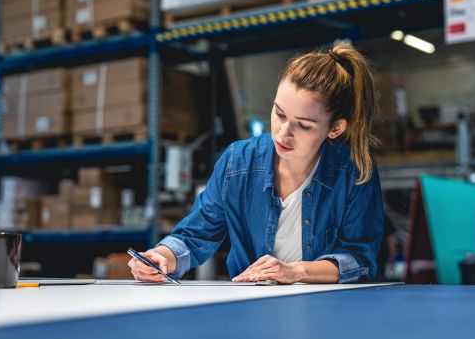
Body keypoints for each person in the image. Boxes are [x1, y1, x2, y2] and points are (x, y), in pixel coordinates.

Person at [129, 40, 384, 284]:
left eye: (303, 125)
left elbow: (359, 258)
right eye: (279, 114)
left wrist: (295, 271)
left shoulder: (355, 171)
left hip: (327, 310)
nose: (283, 133)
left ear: (335, 128)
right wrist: (161, 256)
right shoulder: (237, 162)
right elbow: (196, 234)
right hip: (250, 305)